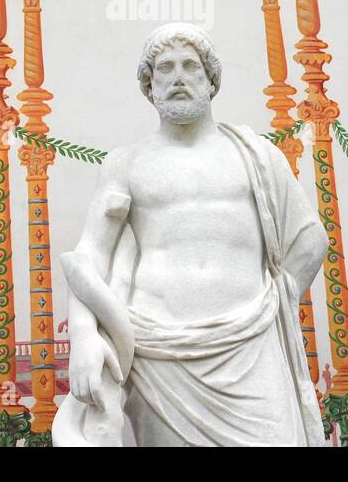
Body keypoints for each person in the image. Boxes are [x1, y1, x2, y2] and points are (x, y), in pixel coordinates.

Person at [52, 23, 327, 446]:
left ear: (211, 80)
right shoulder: (127, 164)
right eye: (164, 69)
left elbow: (309, 240)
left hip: (251, 346)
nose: (177, 77)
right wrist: (85, 338)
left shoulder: (255, 155)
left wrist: (274, 304)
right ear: (149, 86)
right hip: (159, 355)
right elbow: (89, 259)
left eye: (190, 66)